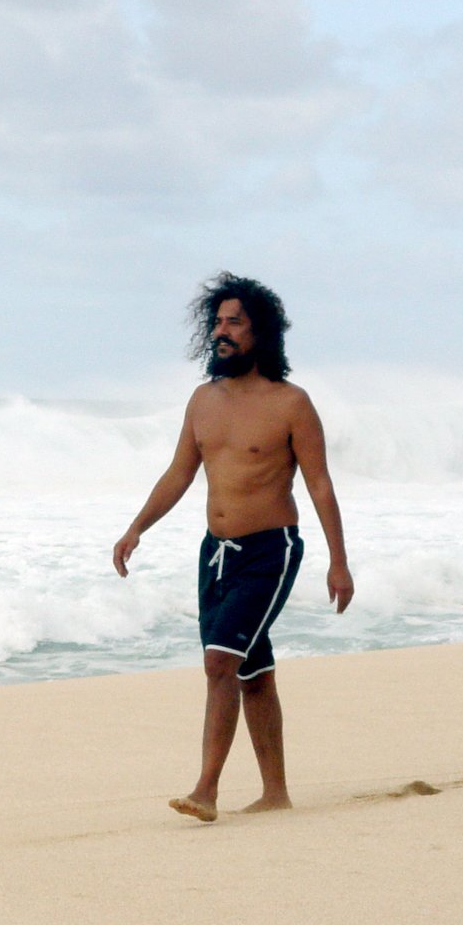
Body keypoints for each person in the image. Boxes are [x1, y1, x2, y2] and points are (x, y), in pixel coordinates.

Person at [112, 273, 353, 822]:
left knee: (220, 662)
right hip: (215, 553)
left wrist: (339, 561)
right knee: (253, 672)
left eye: (233, 323)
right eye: (216, 322)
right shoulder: (203, 400)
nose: (221, 332)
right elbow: (179, 473)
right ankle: (275, 793)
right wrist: (136, 527)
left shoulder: (291, 403)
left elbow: (319, 484)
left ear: (259, 332)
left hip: (272, 550)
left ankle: (206, 790)